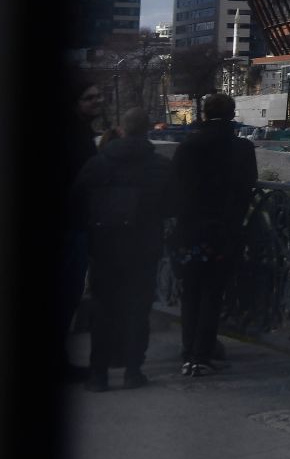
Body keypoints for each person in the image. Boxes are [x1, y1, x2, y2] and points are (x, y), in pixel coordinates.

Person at [72, 108, 175, 390]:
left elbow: (78, 197)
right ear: (147, 131)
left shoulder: (98, 163)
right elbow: (172, 205)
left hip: (104, 245)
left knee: (102, 309)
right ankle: (132, 370)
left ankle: (99, 374)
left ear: (121, 129)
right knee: (138, 309)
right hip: (143, 245)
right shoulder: (159, 166)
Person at [170, 93, 258, 376]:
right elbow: (248, 185)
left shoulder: (187, 146)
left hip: (190, 229)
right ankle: (202, 355)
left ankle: (188, 352)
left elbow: (176, 186)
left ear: (205, 114)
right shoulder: (241, 148)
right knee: (212, 293)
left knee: (191, 291)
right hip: (223, 230)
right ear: (232, 115)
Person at [59, 83, 108, 381]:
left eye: (99, 95)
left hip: (74, 226)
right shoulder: (75, 137)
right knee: (65, 296)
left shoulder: (80, 133)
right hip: (71, 228)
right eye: (89, 98)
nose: (98, 101)